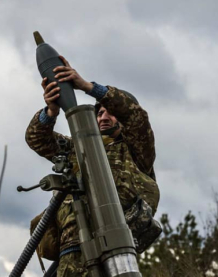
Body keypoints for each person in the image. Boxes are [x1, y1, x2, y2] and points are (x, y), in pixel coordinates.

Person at [26, 56, 160, 276]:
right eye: (99, 113)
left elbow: (135, 116)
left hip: (115, 255)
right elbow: (38, 140)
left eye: (110, 112)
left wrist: (87, 87)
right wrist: (50, 111)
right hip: (70, 256)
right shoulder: (75, 150)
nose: (103, 117)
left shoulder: (135, 150)